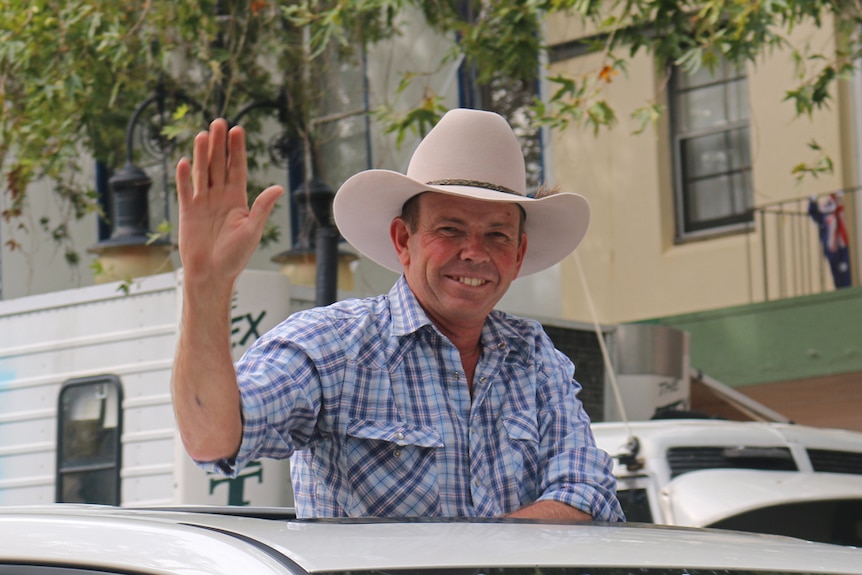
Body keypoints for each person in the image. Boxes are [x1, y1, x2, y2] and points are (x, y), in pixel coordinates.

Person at [172, 107, 624, 521]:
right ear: (403, 240)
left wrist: (476, 560)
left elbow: (587, 491)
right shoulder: (332, 345)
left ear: (519, 252)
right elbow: (213, 438)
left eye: (498, 235)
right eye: (450, 229)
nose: (475, 252)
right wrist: (205, 287)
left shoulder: (533, 355)